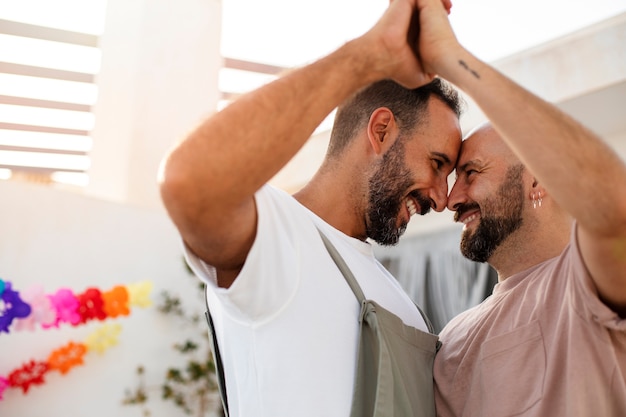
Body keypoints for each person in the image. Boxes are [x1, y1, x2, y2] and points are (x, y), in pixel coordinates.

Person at [158, 0, 463, 416]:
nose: (442, 198)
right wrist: (370, 53)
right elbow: (190, 181)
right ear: (381, 131)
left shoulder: (390, 288)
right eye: (437, 164)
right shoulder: (278, 238)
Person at [406, 0, 626, 415]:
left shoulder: (588, 284)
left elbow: (614, 207)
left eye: (471, 172)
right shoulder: (450, 340)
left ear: (538, 179)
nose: (451, 200)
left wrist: (452, 60)